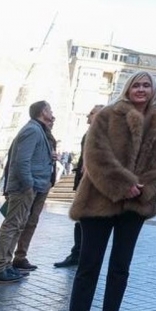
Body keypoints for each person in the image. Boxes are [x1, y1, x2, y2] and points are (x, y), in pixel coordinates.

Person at [61, 71, 156, 311]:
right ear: (127, 89)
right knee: (88, 269)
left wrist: (143, 187)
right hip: (98, 200)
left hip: (135, 206)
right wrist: (124, 183)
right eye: (135, 85)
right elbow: (95, 155)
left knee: (120, 271)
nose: (140, 89)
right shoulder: (108, 115)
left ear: (154, 90)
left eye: (146, 85)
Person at [0, 101, 56, 283]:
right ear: (43, 112)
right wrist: (29, 185)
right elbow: (21, 160)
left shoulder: (38, 130)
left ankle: (6, 264)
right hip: (24, 187)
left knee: (17, 226)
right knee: (12, 226)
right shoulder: (32, 130)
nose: (52, 112)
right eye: (50, 109)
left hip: (34, 185)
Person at [54, 106, 103, 269]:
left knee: (85, 221)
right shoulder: (92, 132)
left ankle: (81, 254)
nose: (88, 115)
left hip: (90, 185)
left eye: (92, 113)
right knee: (81, 221)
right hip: (83, 182)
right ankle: (79, 253)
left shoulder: (100, 133)